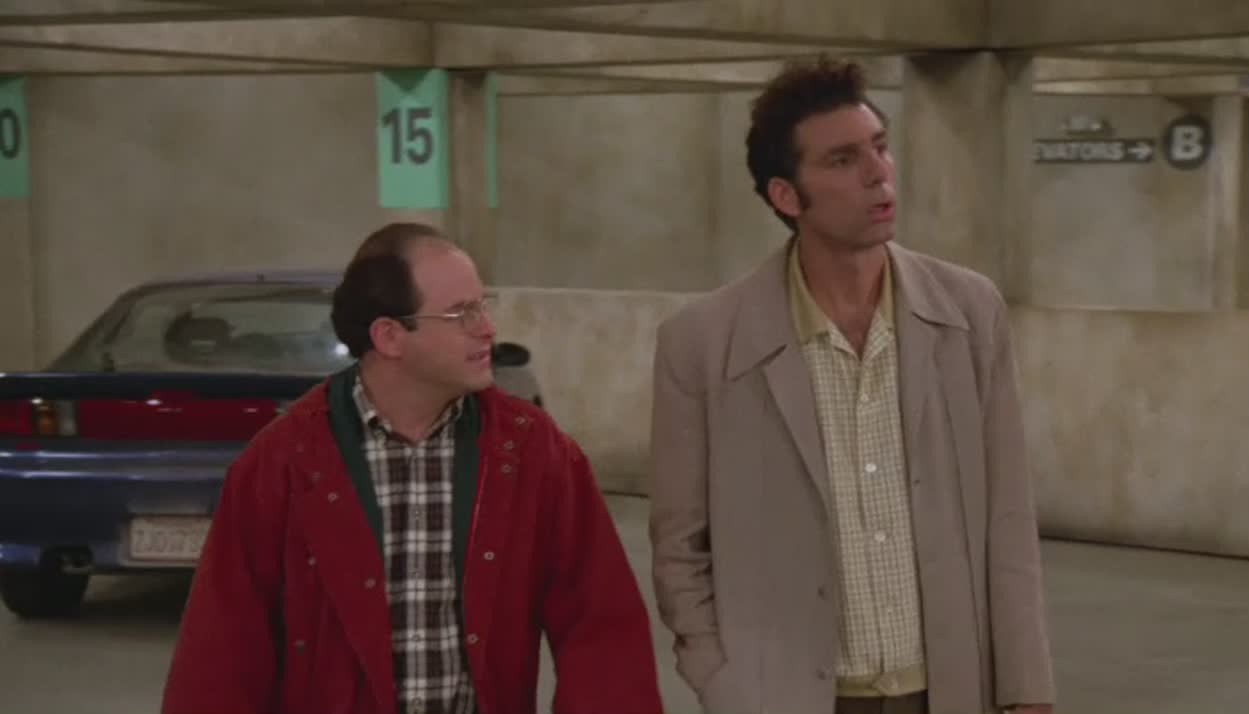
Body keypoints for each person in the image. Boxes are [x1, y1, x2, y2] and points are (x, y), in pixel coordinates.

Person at [648, 56, 1055, 714]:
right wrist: (722, 681)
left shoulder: (969, 313)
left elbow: (1008, 520)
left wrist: (1027, 689)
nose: (878, 174)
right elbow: (679, 548)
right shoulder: (701, 343)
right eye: (842, 160)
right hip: (787, 696)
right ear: (787, 196)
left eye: (880, 147)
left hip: (949, 689)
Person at [163, 222, 664, 714]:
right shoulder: (282, 464)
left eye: (483, 305)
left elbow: (603, 632)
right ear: (390, 336)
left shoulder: (532, 452)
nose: (487, 328)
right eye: (461, 313)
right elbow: (220, 657)